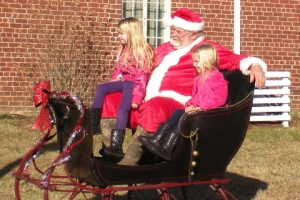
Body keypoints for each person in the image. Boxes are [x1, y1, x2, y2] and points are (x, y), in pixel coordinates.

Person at [100, 8, 267, 165]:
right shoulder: (165, 48)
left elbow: (233, 59)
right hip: (144, 99)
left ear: (193, 34)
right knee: (112, 99)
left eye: (178, 31)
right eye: (172, 29)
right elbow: (143, 64)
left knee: (155, 107)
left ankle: (130, 162)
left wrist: (254, 65)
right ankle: (111, 151)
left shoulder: (205, 50)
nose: (173, 34)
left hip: (175, 103)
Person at [138, 43, 228, 161]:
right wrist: (190, 105)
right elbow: (195, 97)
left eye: (197, 62)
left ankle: (168, 146)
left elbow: (219, 99)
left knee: (185, 117)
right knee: (177, 113)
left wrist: (200, 107)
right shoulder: (198, 79)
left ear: (207, 60)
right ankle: (158, 139)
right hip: (198, 111)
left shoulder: (216, 78)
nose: (194, 64)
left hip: (210, 113)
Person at [88, 17, 155, 158]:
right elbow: (118, 69)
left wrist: (137, 97)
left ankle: (116, 144)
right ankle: (93, 123)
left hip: (133, 85)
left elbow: (142, 78)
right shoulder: (124, 50)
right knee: (102, 88)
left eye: (121, 33)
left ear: (131, 33)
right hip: (124, 82)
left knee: (123, 108)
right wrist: (115, 79)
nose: (118, 37)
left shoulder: (142, 51)